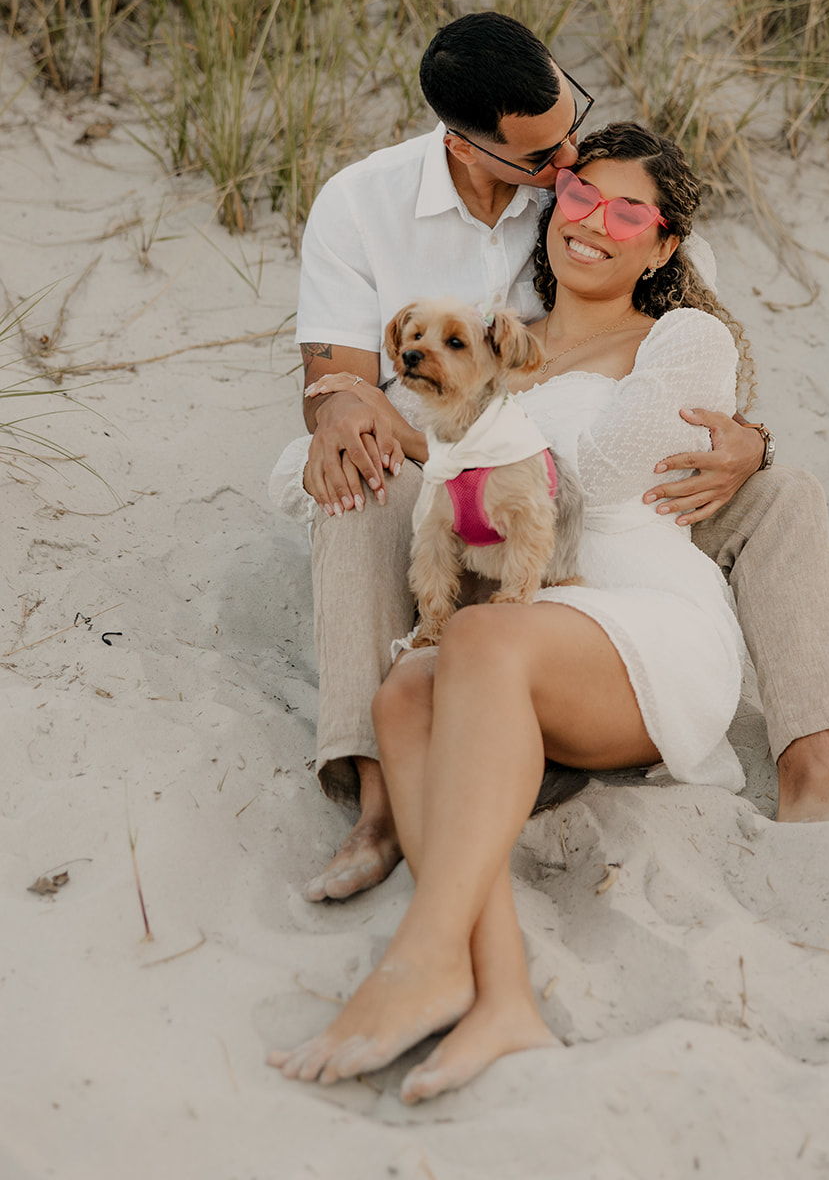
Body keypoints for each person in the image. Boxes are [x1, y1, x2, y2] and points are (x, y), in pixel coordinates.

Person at [285, 13, 829, 905]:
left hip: (609, 486)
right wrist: (338, 405)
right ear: (465, 146)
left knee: (785, 491)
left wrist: (751, 444)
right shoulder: (362, 205)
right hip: (466, 469)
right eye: (545, 164)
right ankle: (379, 803)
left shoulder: (596, 184)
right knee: (366, 484)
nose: (567, 163)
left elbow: (693, 363)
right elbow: (344, 379)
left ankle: (815, 769)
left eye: (575, 120)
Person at [268, 126, 761, 1097]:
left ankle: (414, 956)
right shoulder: (487, 334)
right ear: (554, 205)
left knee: (477, 630)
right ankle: (495, 993)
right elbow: (389, 455)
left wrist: (745, 437)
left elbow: (599, 471)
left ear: (663, 247)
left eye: (630, 212)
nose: (593, 223)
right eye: (580, 196)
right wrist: (346, 408)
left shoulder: (674, 341)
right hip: (526, 632)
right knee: (408, 687)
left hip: (642, 620)